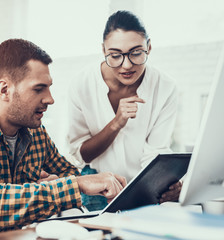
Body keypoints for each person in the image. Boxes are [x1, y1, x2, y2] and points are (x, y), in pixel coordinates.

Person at [0, 39, 126, 239]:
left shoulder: (35, 133)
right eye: (38, 89)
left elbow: (67, 173)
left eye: (49, 87)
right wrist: (72, 186)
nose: (50, 99)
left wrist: (58, 184)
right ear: (5, 90)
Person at [67, 10, 182, 211]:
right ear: (103, 50)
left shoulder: (166, 87)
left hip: (142, 188)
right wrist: (116, 123)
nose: (126, 65)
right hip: (96, 189)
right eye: (115, 55)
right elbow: (80, 154)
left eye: (136, 52)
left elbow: (155, 154)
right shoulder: (81, 85)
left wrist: (168, 184)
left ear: (149, 47)